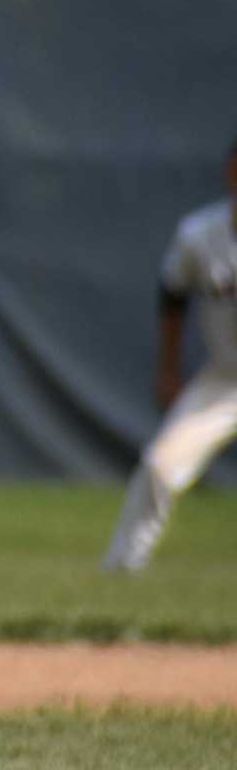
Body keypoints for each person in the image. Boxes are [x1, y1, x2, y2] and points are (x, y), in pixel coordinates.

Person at [101, 136, 237, 573]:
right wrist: (167, 367)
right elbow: (173, 295)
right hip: (223, 382)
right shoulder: (200, 235)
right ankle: (121, 571)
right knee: (160, 467)